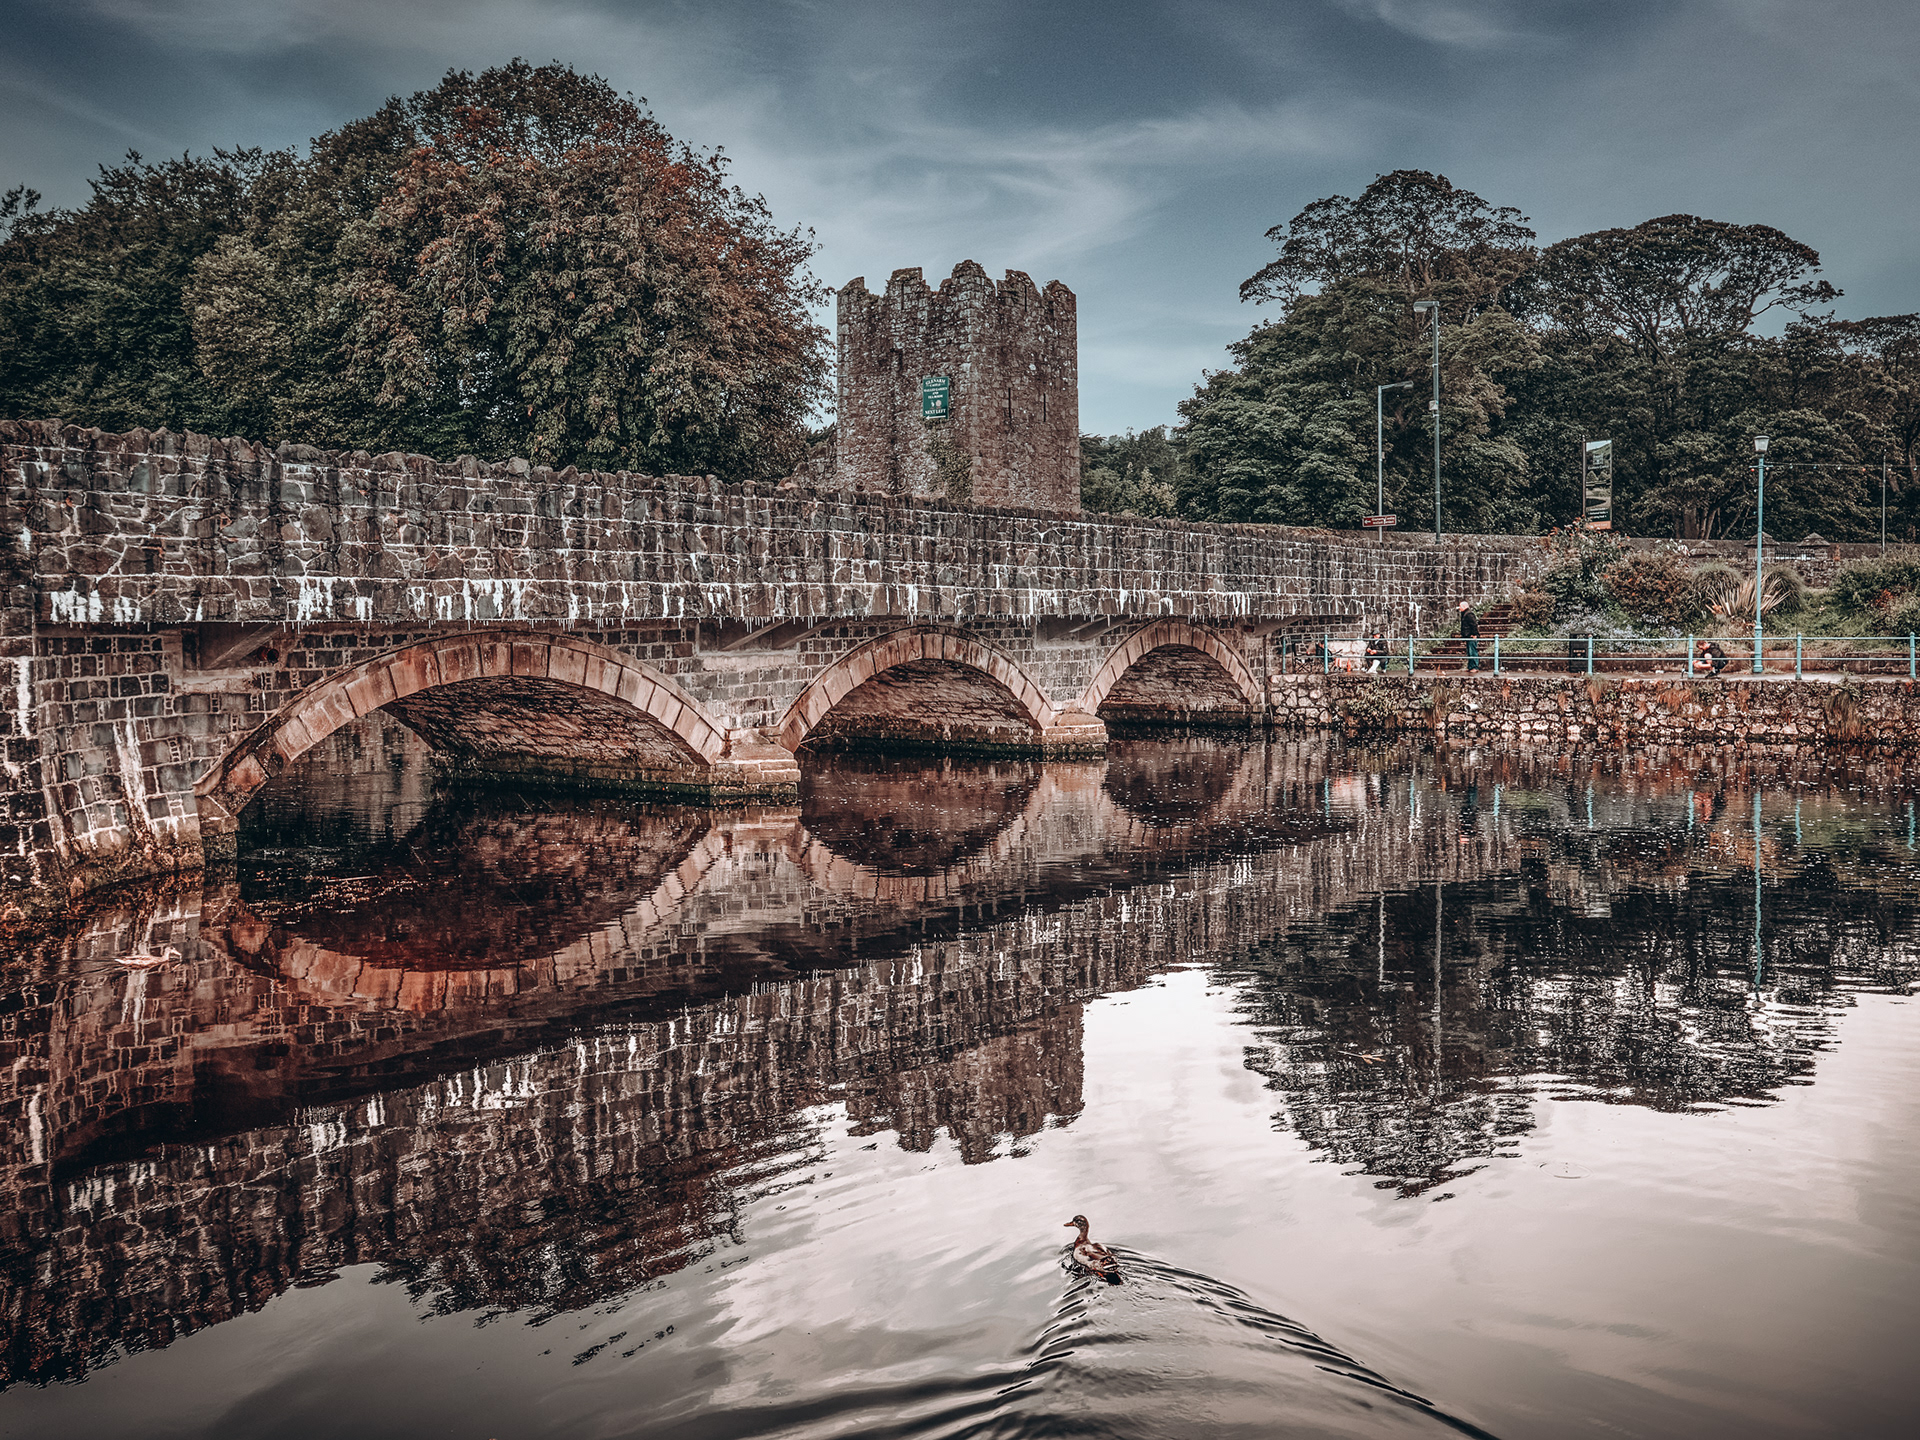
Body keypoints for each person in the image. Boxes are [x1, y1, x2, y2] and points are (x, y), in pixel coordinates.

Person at [1457, 601, 1481, 671]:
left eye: (1460, 606)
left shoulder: (1469, 614)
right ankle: (1470, 666)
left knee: (1472, 651)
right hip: (1468, 636)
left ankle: (1474, 667)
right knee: (1470, 652)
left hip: (1471, 636)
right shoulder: (1466, 614)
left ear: (1464, 607)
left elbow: (1474, 625)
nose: (1459, 608)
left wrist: (1474, 634)